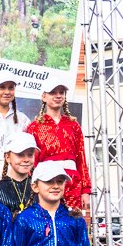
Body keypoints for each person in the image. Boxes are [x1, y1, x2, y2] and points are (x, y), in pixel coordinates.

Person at [26, 78, 91, 212]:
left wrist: (85, 190)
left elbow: (81, 158)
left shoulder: (73, 125)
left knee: (72, 218)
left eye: (61, 92)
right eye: (53, 92)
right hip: (47, 182)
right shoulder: (34, 127)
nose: (58, 95)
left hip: (72, 182)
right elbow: (32, 162)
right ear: (44, 97)